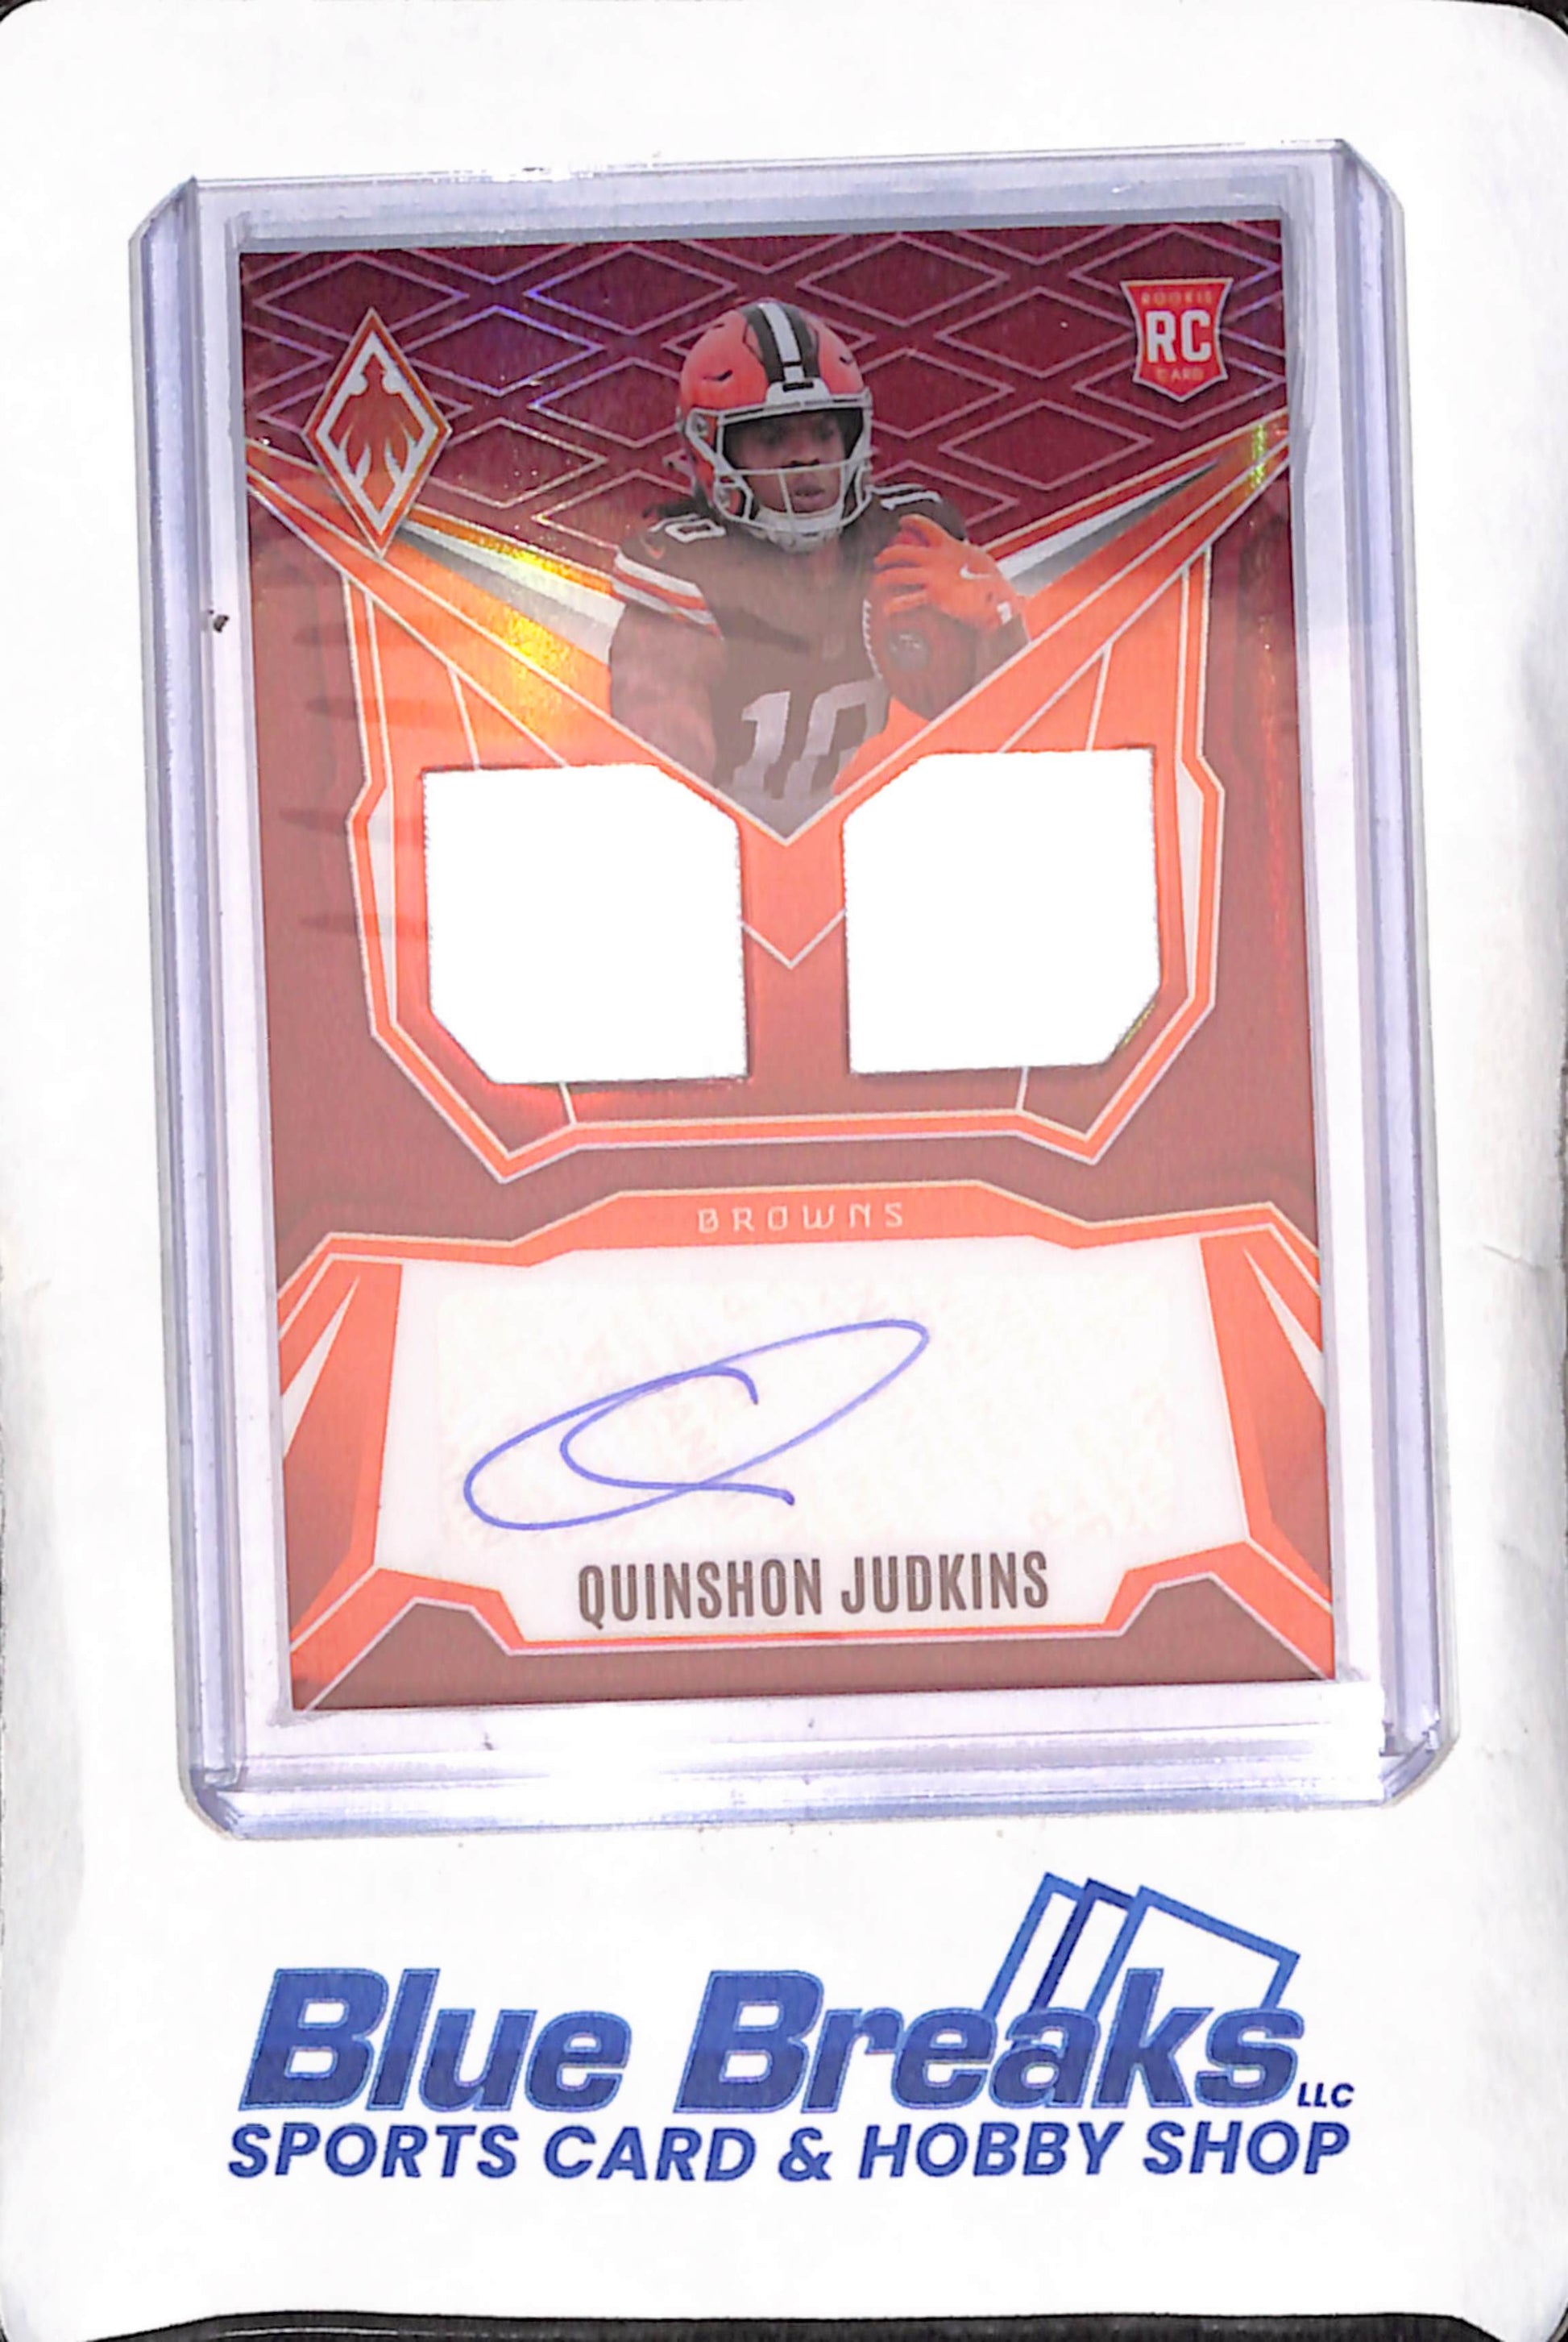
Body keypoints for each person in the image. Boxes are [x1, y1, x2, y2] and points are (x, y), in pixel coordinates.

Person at [609, 301, 1026, 837]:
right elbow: (665, 802)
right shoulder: (687, 574)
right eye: (773, 438)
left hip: (866, 837)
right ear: (711, 452)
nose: (806, 458)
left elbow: (1015, 748)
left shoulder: (908, 541)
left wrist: (999, 623)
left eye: (825, 432)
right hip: (725, 849)